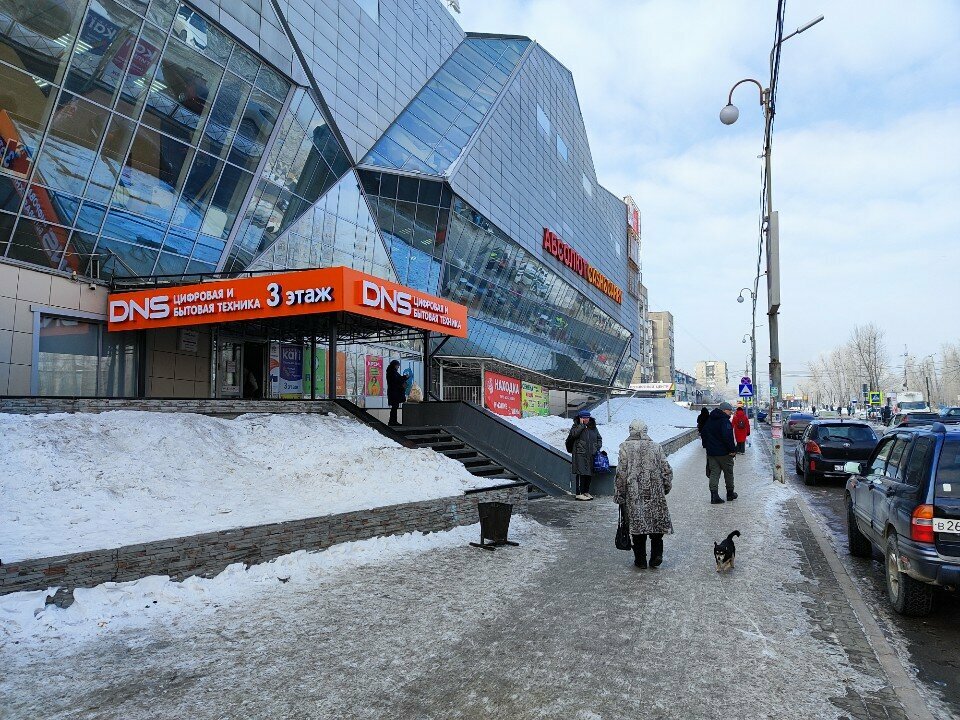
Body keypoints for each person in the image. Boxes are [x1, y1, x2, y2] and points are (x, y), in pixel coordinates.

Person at [614, 418, 673, 569]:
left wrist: (620, 495)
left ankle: (640, 560)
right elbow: (666, 470)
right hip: (655, 493)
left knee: (637, 526)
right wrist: (664, 488)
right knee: (656, 525)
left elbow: (621, 474)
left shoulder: (625, 447)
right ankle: (656, 555)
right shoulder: (656, 447)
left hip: (634, 494)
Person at [702, 401, 738, 504]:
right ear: (724, 410)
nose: (730, 413)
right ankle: (730, 494)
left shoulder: (710, 419)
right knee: (728, 473)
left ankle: (714, 496)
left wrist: (708, 447)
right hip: (724, 453)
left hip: (712, 453)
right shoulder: (724, 421)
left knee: (714, 473)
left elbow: (703, 433)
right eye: (729, 411)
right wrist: (732, 450)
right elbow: (727, 437)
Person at [565, 409, 602, 501]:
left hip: (591, 453)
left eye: (587, 417)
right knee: (581, 473)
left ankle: (586, 491)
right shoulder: (576, 426)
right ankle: (579, 493)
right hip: (579, 454)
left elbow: (599, 438)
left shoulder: (593, 427)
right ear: (580, 418)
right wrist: (581, 425)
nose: (586, 419)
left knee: (589, 474)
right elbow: (574, 435)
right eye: (584, 418)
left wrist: (597, 447)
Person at [386, 360, 406, 426]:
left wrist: (404, 378)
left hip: (394, 392)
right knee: (394, 407)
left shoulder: (392, 372)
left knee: (395, 407)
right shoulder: (392, 372)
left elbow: (398, 379)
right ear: (394, 365)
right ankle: (392, 421)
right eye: (397, 365)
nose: (398, 367)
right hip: (394, 393)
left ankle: (393, 421)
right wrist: (404, 378)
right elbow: (396, 381)